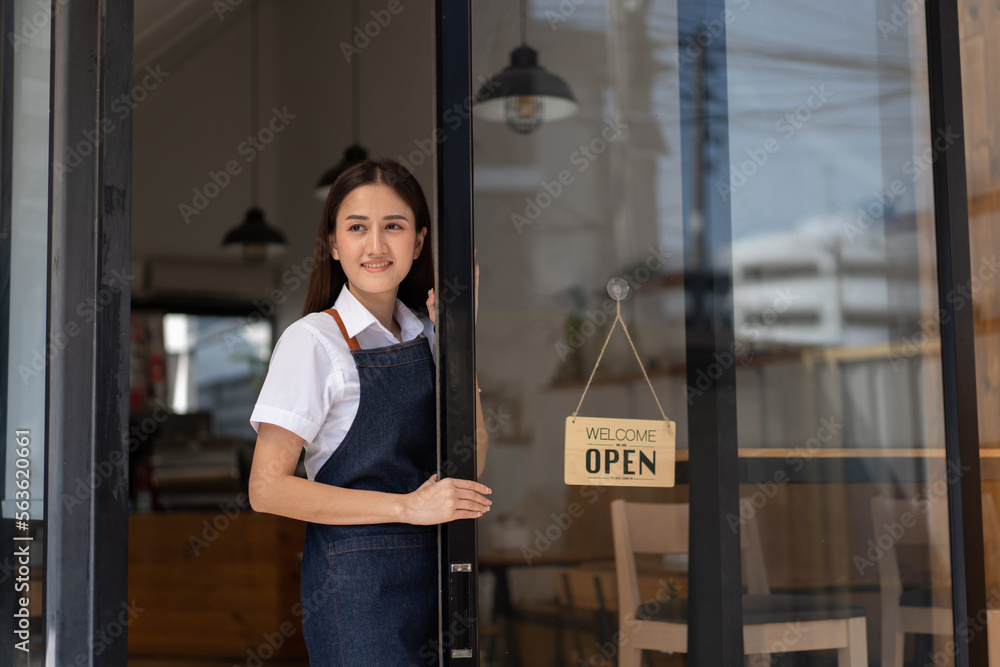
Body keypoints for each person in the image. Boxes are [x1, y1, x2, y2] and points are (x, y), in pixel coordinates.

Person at [247, 158, 490, 665]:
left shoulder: (429, 334)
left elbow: (471, 463)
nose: (376, 246)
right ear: (334, 245)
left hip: (440, 576)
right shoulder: (312, 341)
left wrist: (458, 342)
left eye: (394, 227)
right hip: (356, 592)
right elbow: (265, 489)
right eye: (357, 228)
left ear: (419, 242)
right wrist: (406, 508)